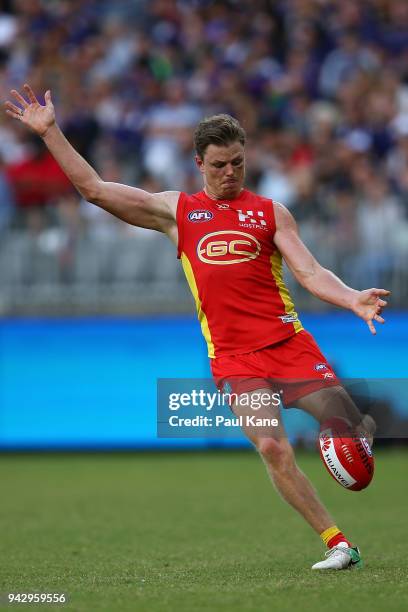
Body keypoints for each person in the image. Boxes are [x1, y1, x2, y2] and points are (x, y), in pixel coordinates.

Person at [5, 85, 389, 570]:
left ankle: (360, 428)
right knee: (272, 445)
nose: (230, 173)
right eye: (219, 165)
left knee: (349, 433)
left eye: (238, 163)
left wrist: (352, 297)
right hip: (234, 359)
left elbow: (310, 273)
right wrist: (51, 132)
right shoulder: (177, 212)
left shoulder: (271, 212)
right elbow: (95, 190)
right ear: (198, 164)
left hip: (289, 345)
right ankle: (338, 543)